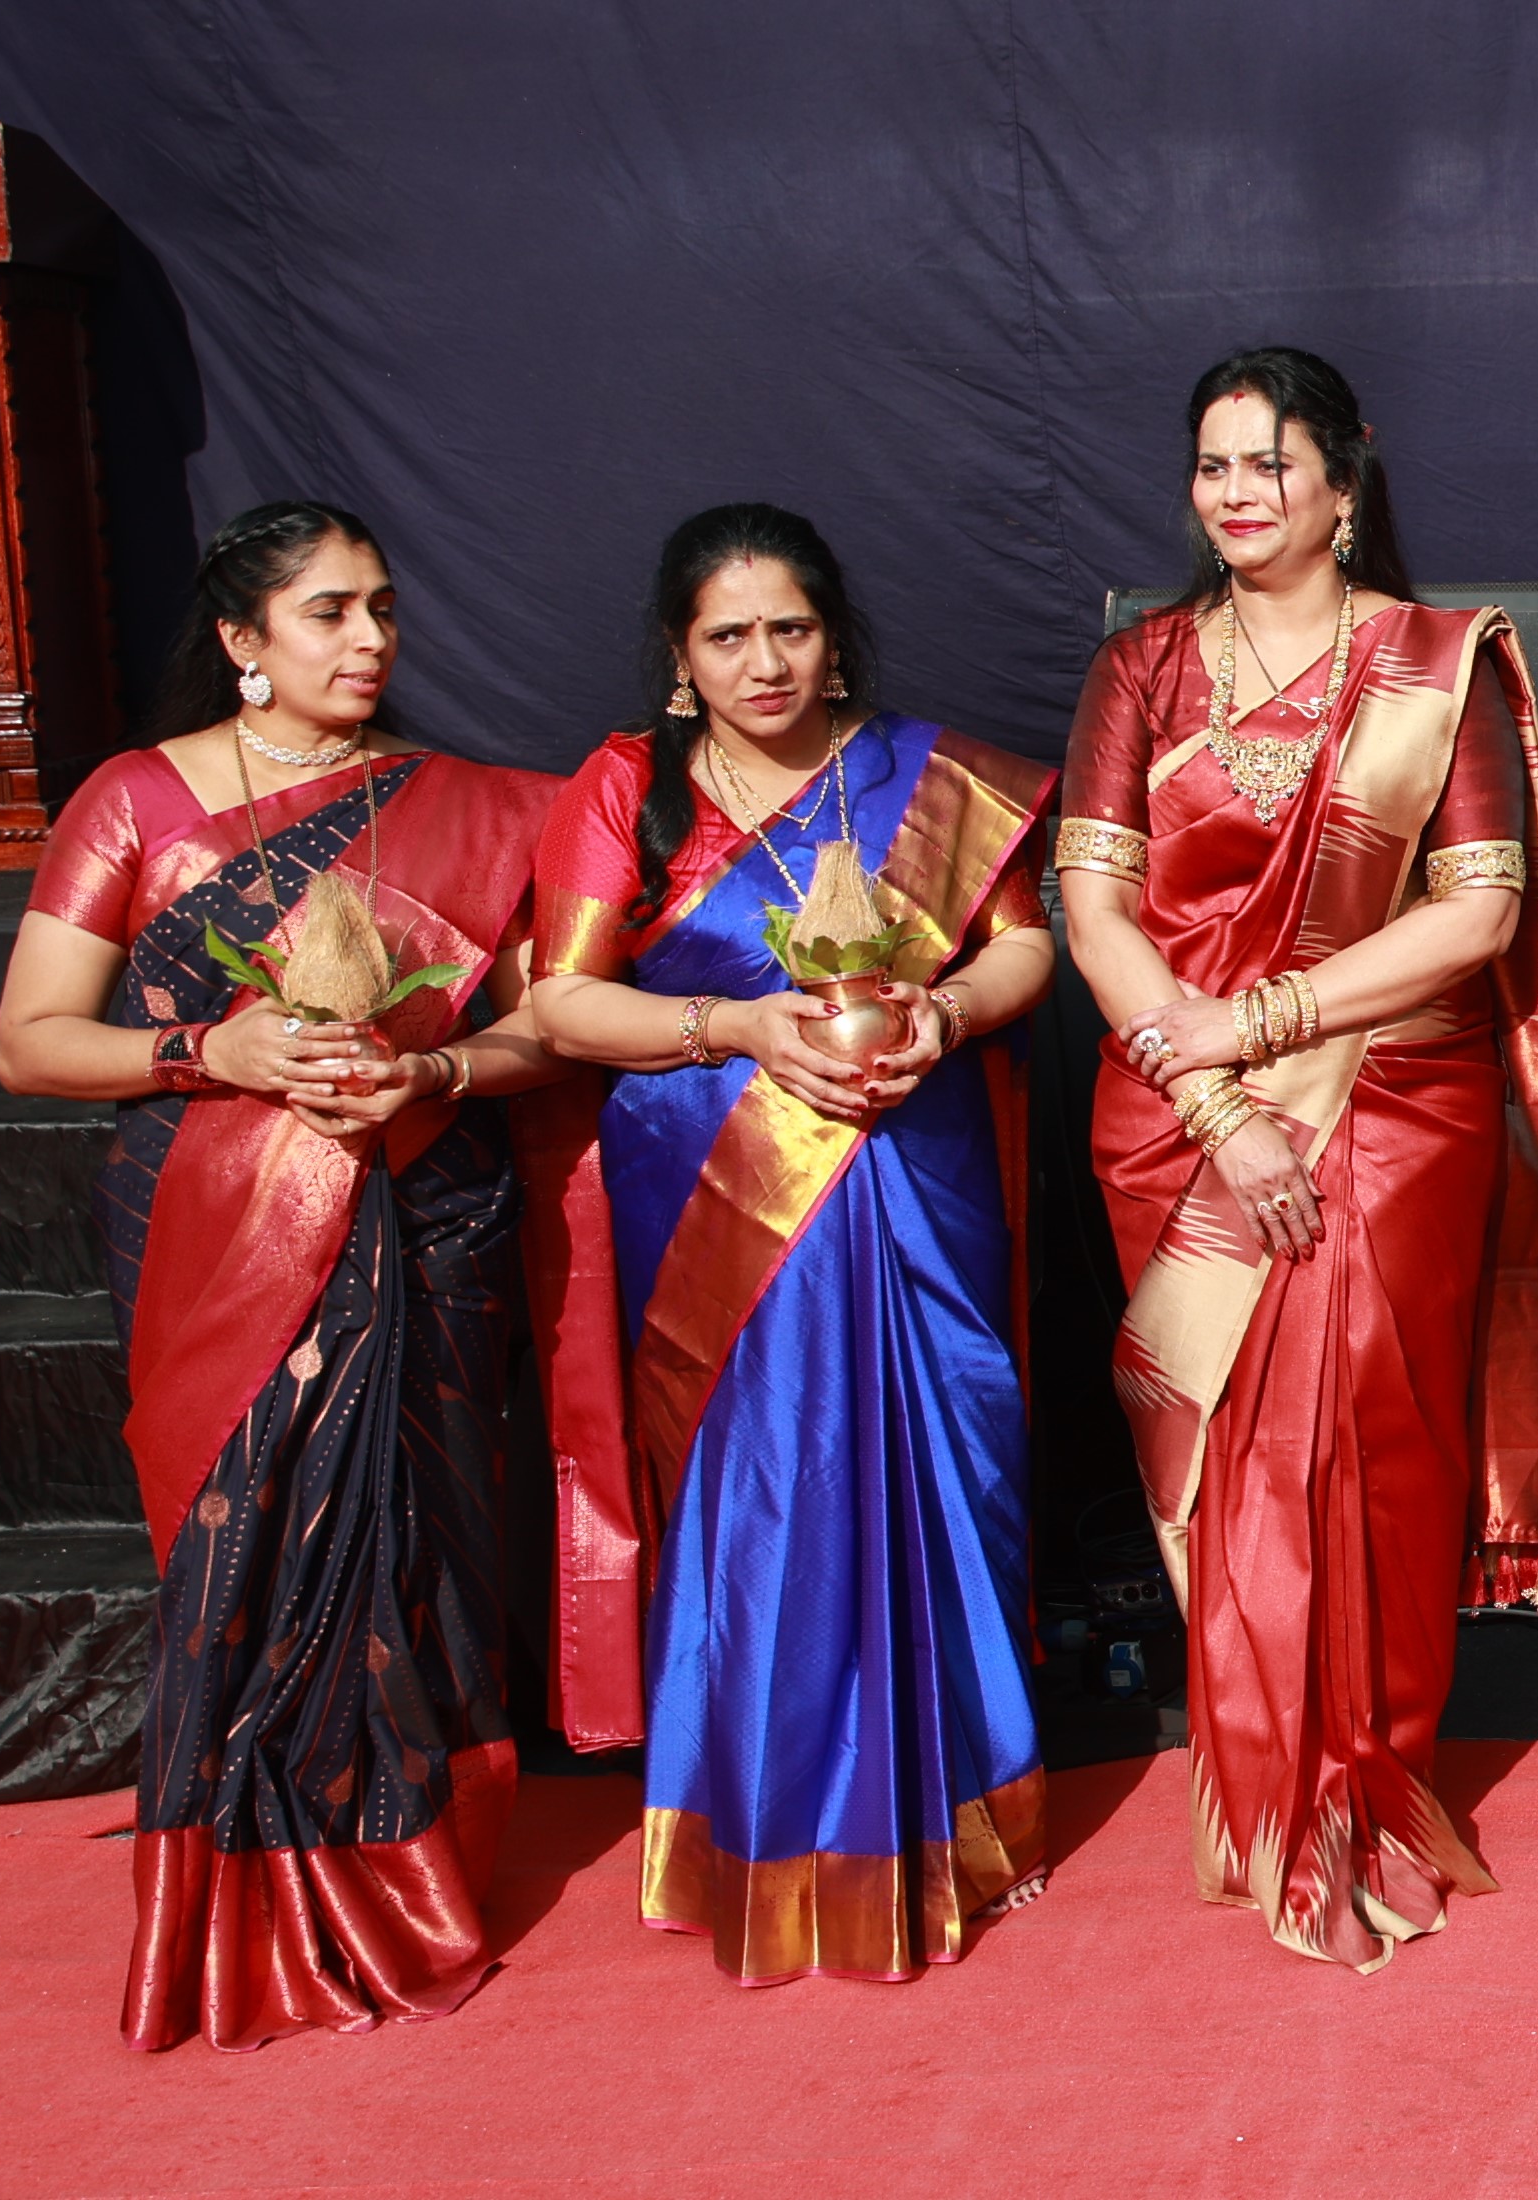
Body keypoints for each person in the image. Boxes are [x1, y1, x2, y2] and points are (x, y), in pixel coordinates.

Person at [0, 504, 563, 2048]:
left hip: (421, 1208)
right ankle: (243, 1900)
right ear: (244, 641)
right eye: (329, 612)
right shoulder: (136, 798)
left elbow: (544, 1028)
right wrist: (212, 1050)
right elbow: (30, 1042)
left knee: (410, 1543)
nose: (371, 638)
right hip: (212, 1224)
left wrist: (431, 1066)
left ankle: (406, 1869)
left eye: (381, 606)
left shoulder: (470, 807)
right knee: (249, 1542)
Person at [1051, 346, 1538, 1969]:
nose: (1237, 492)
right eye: (1213, 464)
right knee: (1239, 1455)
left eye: (1270, 462)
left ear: (1344, 483)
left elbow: (1481, 909)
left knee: (1364, 1443)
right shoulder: (1141, 667)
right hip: (1179, 1105)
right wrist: (1219, 1098)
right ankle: (1270, 1789)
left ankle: (1364, 1779)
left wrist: (1265, 1018)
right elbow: (1094, 910)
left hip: (1396, 1100)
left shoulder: (1434, 663)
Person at [518, 504, 1061, 1983]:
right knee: (767, 1492)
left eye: (791, 629)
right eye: (729, 636)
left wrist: (947, 1011)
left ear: (834, 637)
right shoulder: (629, 788)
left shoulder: (934, 780)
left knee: (943, 1465)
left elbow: (1026, 941)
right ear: (680, 655)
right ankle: (762, 1825)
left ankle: (957, 1814)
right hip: (715, 1187)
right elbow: (563, 1003)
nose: (765, 663)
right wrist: (741, 1026)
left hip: (915, 1161)